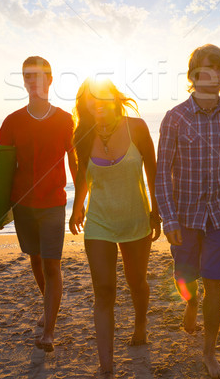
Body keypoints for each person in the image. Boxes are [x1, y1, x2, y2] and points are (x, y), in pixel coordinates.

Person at [155, 44, 220, 379]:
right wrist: (168, 217)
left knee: (215, 282)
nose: (210, 75)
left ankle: (209, 352)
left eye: (217, 69)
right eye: (203, 70)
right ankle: (190, 303)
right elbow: (162, 171)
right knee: (185, 275)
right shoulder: (175, 117)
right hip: (184, 215)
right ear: (193, 75)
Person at [69, 78, 161, 376]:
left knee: (137, 282)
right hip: (99, 222)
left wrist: (156, 211)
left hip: (136, 219)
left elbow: (153, 170)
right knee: (104, 290)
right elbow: (83, 173)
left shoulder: (137, 128)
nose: (97, 103)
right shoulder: (83, 134)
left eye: (103, 96)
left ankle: (141, 323)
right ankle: (106, 366)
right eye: (90, 99)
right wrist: (77, 207)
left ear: (113, 98)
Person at [0, 56, 76, 351]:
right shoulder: (13, 120)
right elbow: (0, 166)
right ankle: (48, 307)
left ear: (50, 80)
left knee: (52, 265)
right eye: (27, 76)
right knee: (36, 260)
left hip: (54, 203)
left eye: (38, 76)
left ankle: (49, 332)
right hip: (23, 204)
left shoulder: (66, 119)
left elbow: (76, 162)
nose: (32, 81)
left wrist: (80, 202)